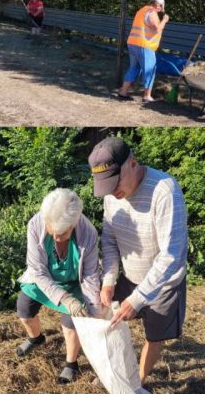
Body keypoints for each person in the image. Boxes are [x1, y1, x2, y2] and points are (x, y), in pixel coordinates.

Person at [88, 136, 187, 388]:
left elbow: (171, 254)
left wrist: (138, 298)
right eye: (105, 185)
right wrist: (109, 280)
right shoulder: (112, 195)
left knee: (154, 337)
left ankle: (135, 383)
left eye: (115, 181)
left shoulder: (165, 191)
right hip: (130, 276)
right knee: (106, 318)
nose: (112, 192)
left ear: (133, 163)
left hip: (164, 284)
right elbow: (109, 240)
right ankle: (117, 372)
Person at [16, 188, 101, 385]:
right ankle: (35, 338)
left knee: (72, 322)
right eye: (51, 230)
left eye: (62, 233)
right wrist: (64, 298)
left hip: (74, 282)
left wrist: (94, 308)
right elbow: (36, 270)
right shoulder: (35, 225)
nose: (55, 237)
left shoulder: (88, 233)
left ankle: (71, 364)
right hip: (42, 278)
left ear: (74, 223)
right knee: (24, 312)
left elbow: (89, 275)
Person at [118, 0, 169, 103]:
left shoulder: (141, 10)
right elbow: (157, 28)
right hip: (145, 45)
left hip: (133, 43)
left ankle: (123, 91)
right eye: (161, 7)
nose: (160, 10)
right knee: (150, 70)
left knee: (134, 68)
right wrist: (164, 21)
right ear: (157, 5)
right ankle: (147, 96)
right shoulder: (151, 13)